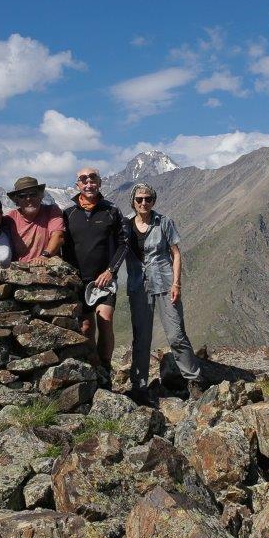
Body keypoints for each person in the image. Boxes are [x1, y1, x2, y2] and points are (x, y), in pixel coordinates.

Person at [125, 183, 204, 404]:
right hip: (138, 287)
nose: (143, 203)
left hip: (165, 283)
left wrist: (176, 283)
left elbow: (176, 253)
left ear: (154, 201)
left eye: (148, 199)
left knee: (176, 334)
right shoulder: (125, 225)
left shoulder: (164, 222)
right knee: (141, 339)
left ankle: (194, 380)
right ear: (133, 201)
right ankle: (139, 386)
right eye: (139, 199)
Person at [61, 167, 129, 387]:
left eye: (92, 179)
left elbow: (124, 243)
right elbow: (63, 245)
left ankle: (106, 369)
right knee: (86, 327)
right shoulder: (68, 213)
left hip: (105, 279)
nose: (88, 183)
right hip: (78, 280)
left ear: (99, 182)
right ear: (77, 185)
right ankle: (92, 366)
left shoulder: (112, 211)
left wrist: (111, 271)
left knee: (105, 321)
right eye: (83, 180)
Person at [4, 176, 64, 262]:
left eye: (33, 194)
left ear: (41, 196)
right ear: (16, 201)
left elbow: (58, 236)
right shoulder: (10, 218)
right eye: (22, 196)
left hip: (47, 268)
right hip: (20, 269)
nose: (28, 199)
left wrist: (45, 256)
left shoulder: (51, 211)